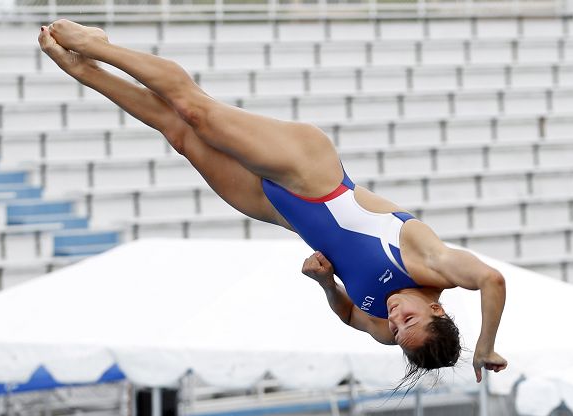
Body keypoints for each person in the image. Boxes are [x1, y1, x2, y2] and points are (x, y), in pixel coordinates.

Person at [37, 20, 507, 385]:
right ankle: (95, 43)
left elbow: (349, 315)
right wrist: (485, 344)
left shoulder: (387, 328)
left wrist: (326, 285)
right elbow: (491, 278)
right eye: (409, 319)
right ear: (438, 310)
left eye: (400, 330)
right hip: (312, 173)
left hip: (280, 209)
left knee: (179, 135)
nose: (396, 318)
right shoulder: (431, 264)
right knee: (195, 111)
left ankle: (85, 69)